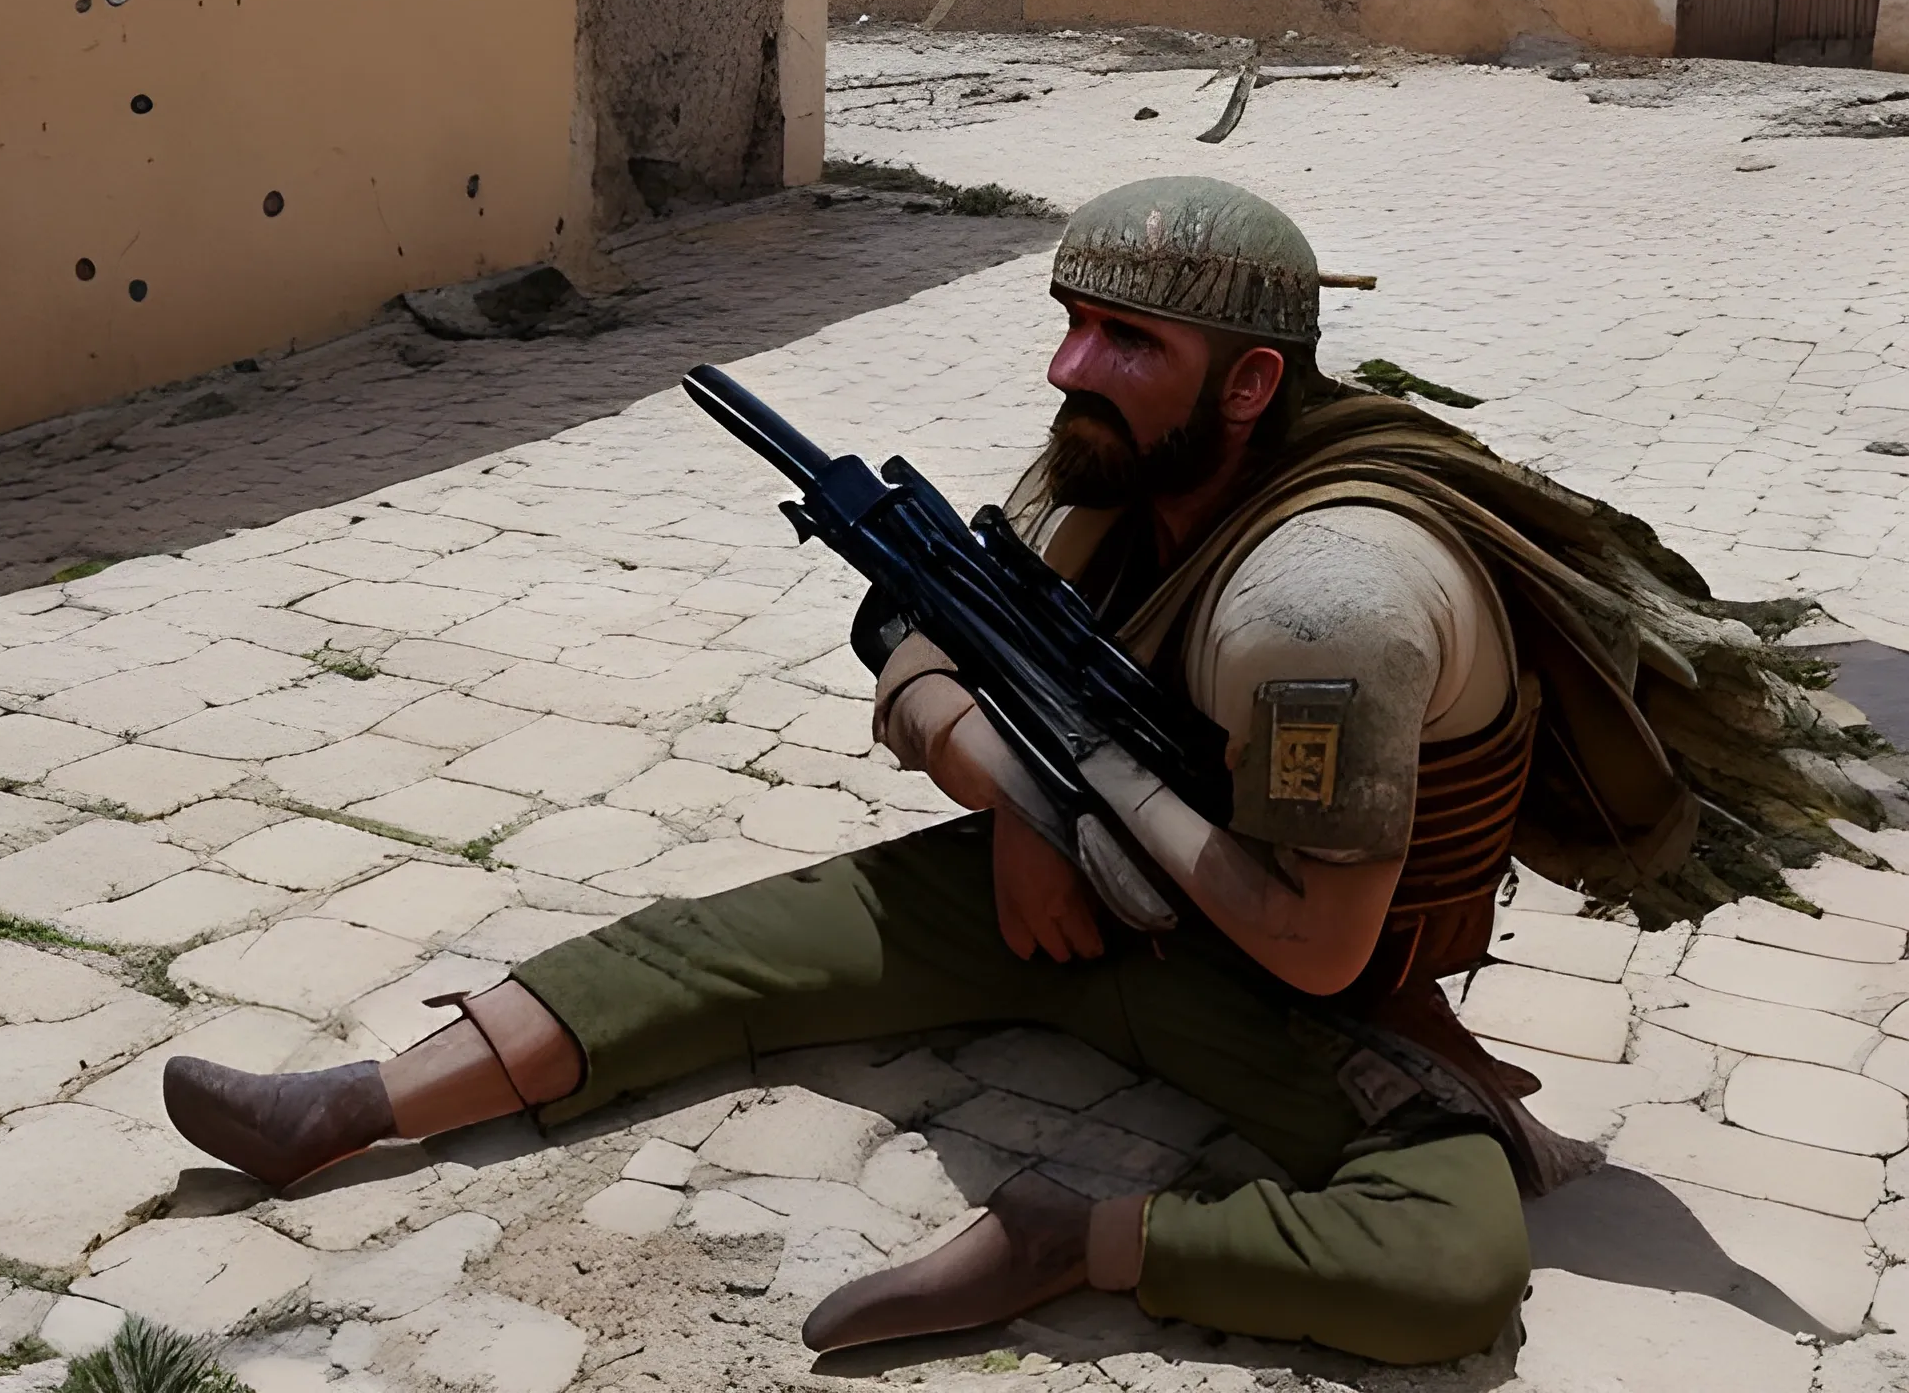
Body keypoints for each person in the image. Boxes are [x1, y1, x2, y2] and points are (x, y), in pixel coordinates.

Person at [165, 176, 1711, 1367]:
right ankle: (349, 1107)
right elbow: (921, 629)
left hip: (1287, 986)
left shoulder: (1323, 609)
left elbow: (1314, 937)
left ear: (1249, 388)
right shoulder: (1110, 471)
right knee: (718, 949)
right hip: (1078, 893)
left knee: (1451, 1262)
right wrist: (1028, 806)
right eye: (1069, 322)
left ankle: (1073, 1241)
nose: (1070, 366)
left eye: (1127, 342)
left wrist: (1082, 781)